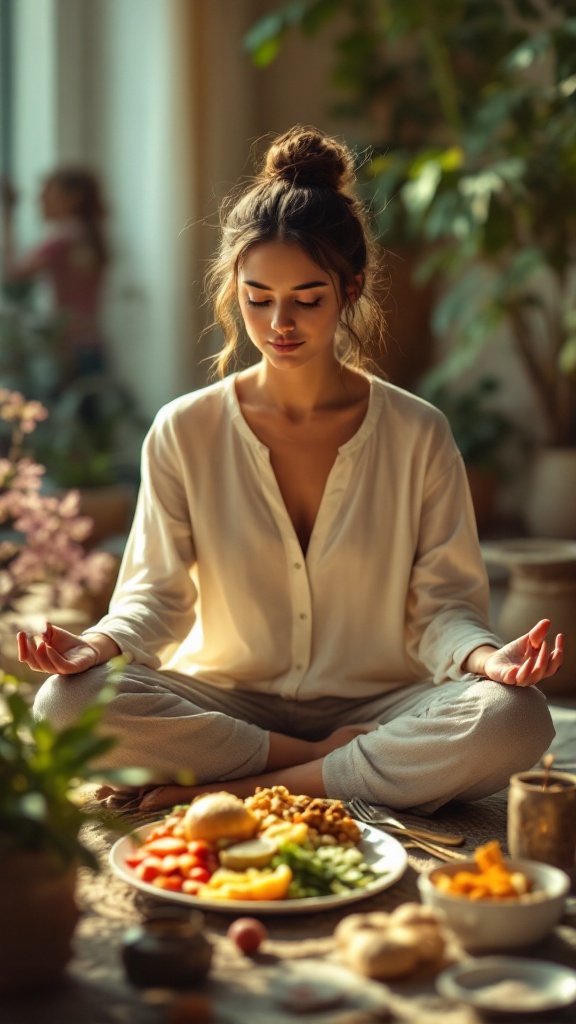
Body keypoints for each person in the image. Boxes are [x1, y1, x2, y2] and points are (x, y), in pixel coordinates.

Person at [19, 126, 563, 816]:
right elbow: (156, 599)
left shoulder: (418, 433)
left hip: (380, 699)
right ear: (233, 289)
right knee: (66, 703)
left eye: (307, 298)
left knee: (516, 719)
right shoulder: (184, 430)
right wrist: (92, 644)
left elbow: (443, 610)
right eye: (257, 297)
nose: (280, 323)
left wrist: (490, 662)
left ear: (350, 288)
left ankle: (237, 788)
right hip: (230, 700)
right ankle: (311, 761)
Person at [1, 166, 109, 383]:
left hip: (70, 349)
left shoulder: (64, 237)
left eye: (49, 194)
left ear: (74, 198)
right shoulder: (86, 233)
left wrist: (9, 214)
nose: (41, 201)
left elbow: (13, 274)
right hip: (90, 342)